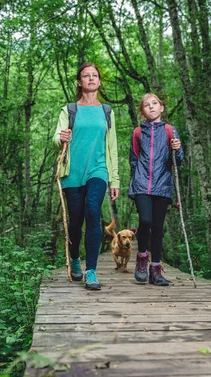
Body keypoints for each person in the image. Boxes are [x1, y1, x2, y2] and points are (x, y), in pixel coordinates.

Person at [53, 63, 120, 290]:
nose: (91, 79)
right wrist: (61, 138)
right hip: (72, 173)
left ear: (99, 82)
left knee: (93, 211)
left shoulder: (107, 112)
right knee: (75, 222)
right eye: (86, 76)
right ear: (79, 82)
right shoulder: (69, 110)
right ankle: (74, 259)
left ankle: (91, 270)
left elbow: (112, 147)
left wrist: (115, 179)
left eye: (95, 76)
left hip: (98, 170)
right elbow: (56, 138)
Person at [128, 93, 184, 286]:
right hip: (142, 184)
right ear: (142, 111)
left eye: (154, 104)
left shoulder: (170, 130)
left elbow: (177, 162)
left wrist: (177, 149)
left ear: (161, 107)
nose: (151, 107)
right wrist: (134, 186)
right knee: (145, 220)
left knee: (158, 228)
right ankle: (142, 257)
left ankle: (156, 269)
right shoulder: (137, 133)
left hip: (162, 185)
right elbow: (134, 160)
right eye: (146, 105)